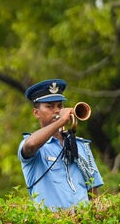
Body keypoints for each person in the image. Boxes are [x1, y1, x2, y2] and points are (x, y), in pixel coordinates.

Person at [18, 79, 103, 209]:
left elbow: (93, 189)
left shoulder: (81, 146)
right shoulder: (32, 144)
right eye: (50, 106)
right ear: (36, 112)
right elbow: (30, 145)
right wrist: (60, 122)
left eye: (59, 106)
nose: (56, 110)